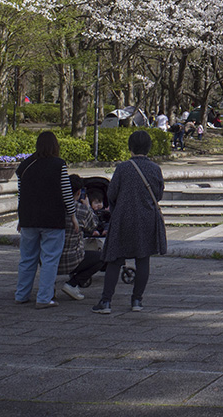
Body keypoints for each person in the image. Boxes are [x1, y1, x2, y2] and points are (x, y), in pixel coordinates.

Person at [92, 131, 167, 314]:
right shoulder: (155, 169)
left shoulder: (123, 168)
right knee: (143, 259)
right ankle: (137, 301)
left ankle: (106, 301)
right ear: (149, 147)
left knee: (115, 259)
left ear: (130, 147)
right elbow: (158, 195)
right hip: (147, 218)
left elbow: (111, 194)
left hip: (123, 218)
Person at [15, 131, 78, 308]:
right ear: (55, 146)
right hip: (52, 218)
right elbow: (66, 193)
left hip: (28, 218)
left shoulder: (24, 166)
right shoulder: (59, 165)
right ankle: (44, 297)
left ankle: (21, 294)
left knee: (27, 258)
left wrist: (21, 217)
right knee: (50, 258)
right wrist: (73, 215)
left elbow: (22, 195)